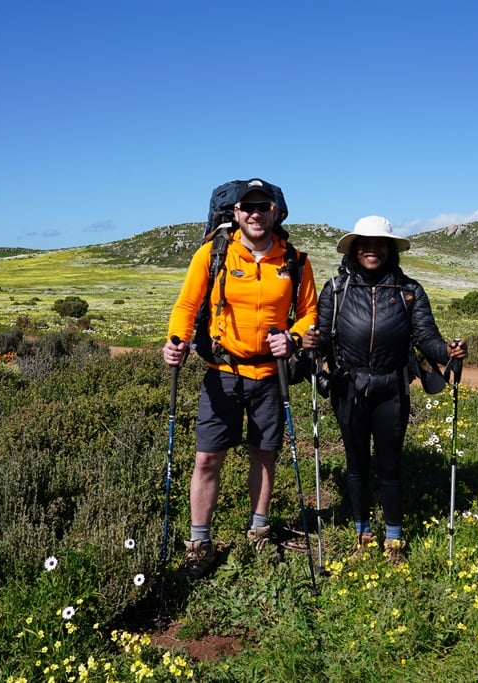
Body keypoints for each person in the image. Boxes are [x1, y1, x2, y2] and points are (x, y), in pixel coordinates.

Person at [164, 178, 317, 580]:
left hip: (270, 374)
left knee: (264, 455)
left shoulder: (296, 261)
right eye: (247, 207)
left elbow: (309, 314)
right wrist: (174, 342)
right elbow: (187, 304)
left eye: (263, 206)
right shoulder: (212, 254)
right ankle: (199, 544)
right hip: (222, 373)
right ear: (234, 213)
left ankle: (259, 531)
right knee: (207, 457)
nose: (255, 214)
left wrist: (295, 337)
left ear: (276, 212)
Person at [307, 215, 466, 565]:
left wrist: (449, 352)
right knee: (357, 464)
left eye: (380, 243)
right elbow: (320, 338)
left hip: (392, 387)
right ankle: (362, 533)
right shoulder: (335, 288)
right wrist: (311, 344)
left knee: (391, 465)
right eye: (365, 243)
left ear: (390, 250)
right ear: (354, 249)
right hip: (348, 387)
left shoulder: (410, 291)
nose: (372, 249)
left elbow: (427, 339)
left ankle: (394, 538)